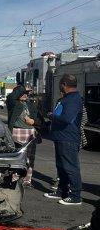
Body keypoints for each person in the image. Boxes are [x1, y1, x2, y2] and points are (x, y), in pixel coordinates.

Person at [44, 74, 84, 205]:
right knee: (61, 166)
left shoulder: (73, 99)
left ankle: (75, 196)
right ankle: (62, 191)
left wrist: (52, 116)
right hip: (61, 137)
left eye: (61, 84)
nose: (60, 87)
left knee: (70, 167)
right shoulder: (67, 98)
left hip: (68, 138)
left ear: (64, 85)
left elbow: (67, 119)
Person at [8, 86, 36, 186]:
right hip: (17, 132)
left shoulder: (29, 104)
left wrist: (34, 122)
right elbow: (12, 96)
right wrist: (23, 88)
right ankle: (14, 178)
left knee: (30, 157)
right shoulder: (13, 103)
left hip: (30, 133)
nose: (25, 95)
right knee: (17, 156)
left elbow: (37, 117)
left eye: (26, 93)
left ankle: (27, 180)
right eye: (22, 93)